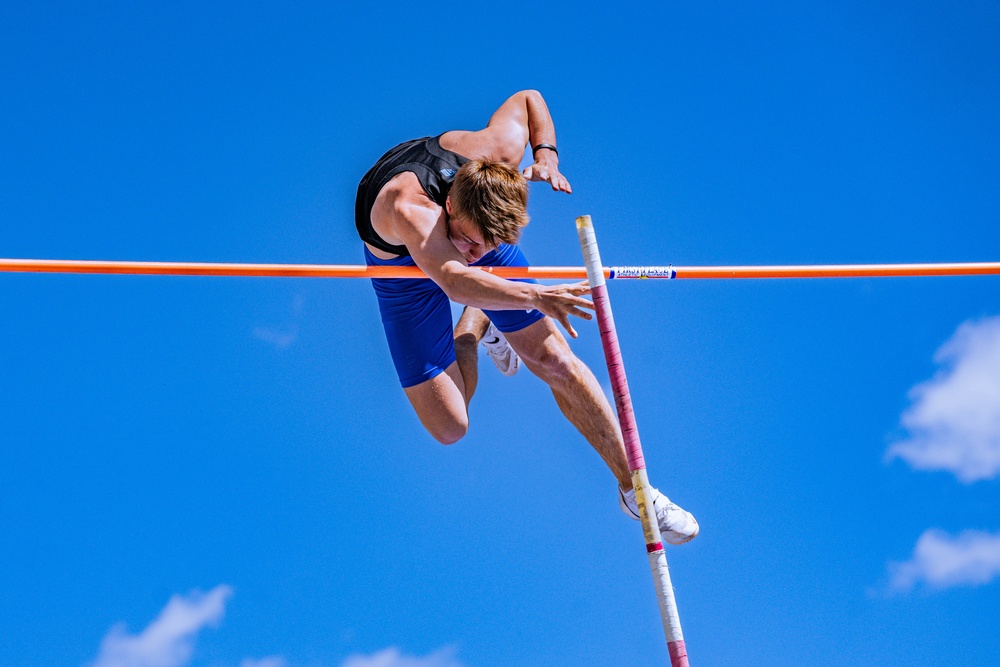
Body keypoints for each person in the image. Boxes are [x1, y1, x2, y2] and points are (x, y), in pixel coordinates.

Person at [355, 90, 698, 544]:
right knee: (450, 425)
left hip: (466, 248)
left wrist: (547, 157)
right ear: (451, 207)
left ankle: (635, 490)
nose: (479, 255)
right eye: (472, 243)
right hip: (406, 271)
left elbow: (529, 98)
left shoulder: (494, 152)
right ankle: (475, 326)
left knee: (554, 359)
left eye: (489, 248)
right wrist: (533, 298)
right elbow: (456, 279)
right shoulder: (410, 208)